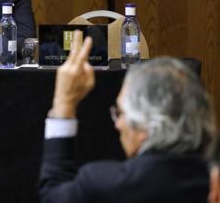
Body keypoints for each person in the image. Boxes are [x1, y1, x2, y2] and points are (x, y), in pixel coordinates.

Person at [39, 33, 215, 202]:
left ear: (145, 127)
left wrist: (64, 103)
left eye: (120, 113)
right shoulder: (212, 181)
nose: (118, 125)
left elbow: (53, 196)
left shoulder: (105, 184)